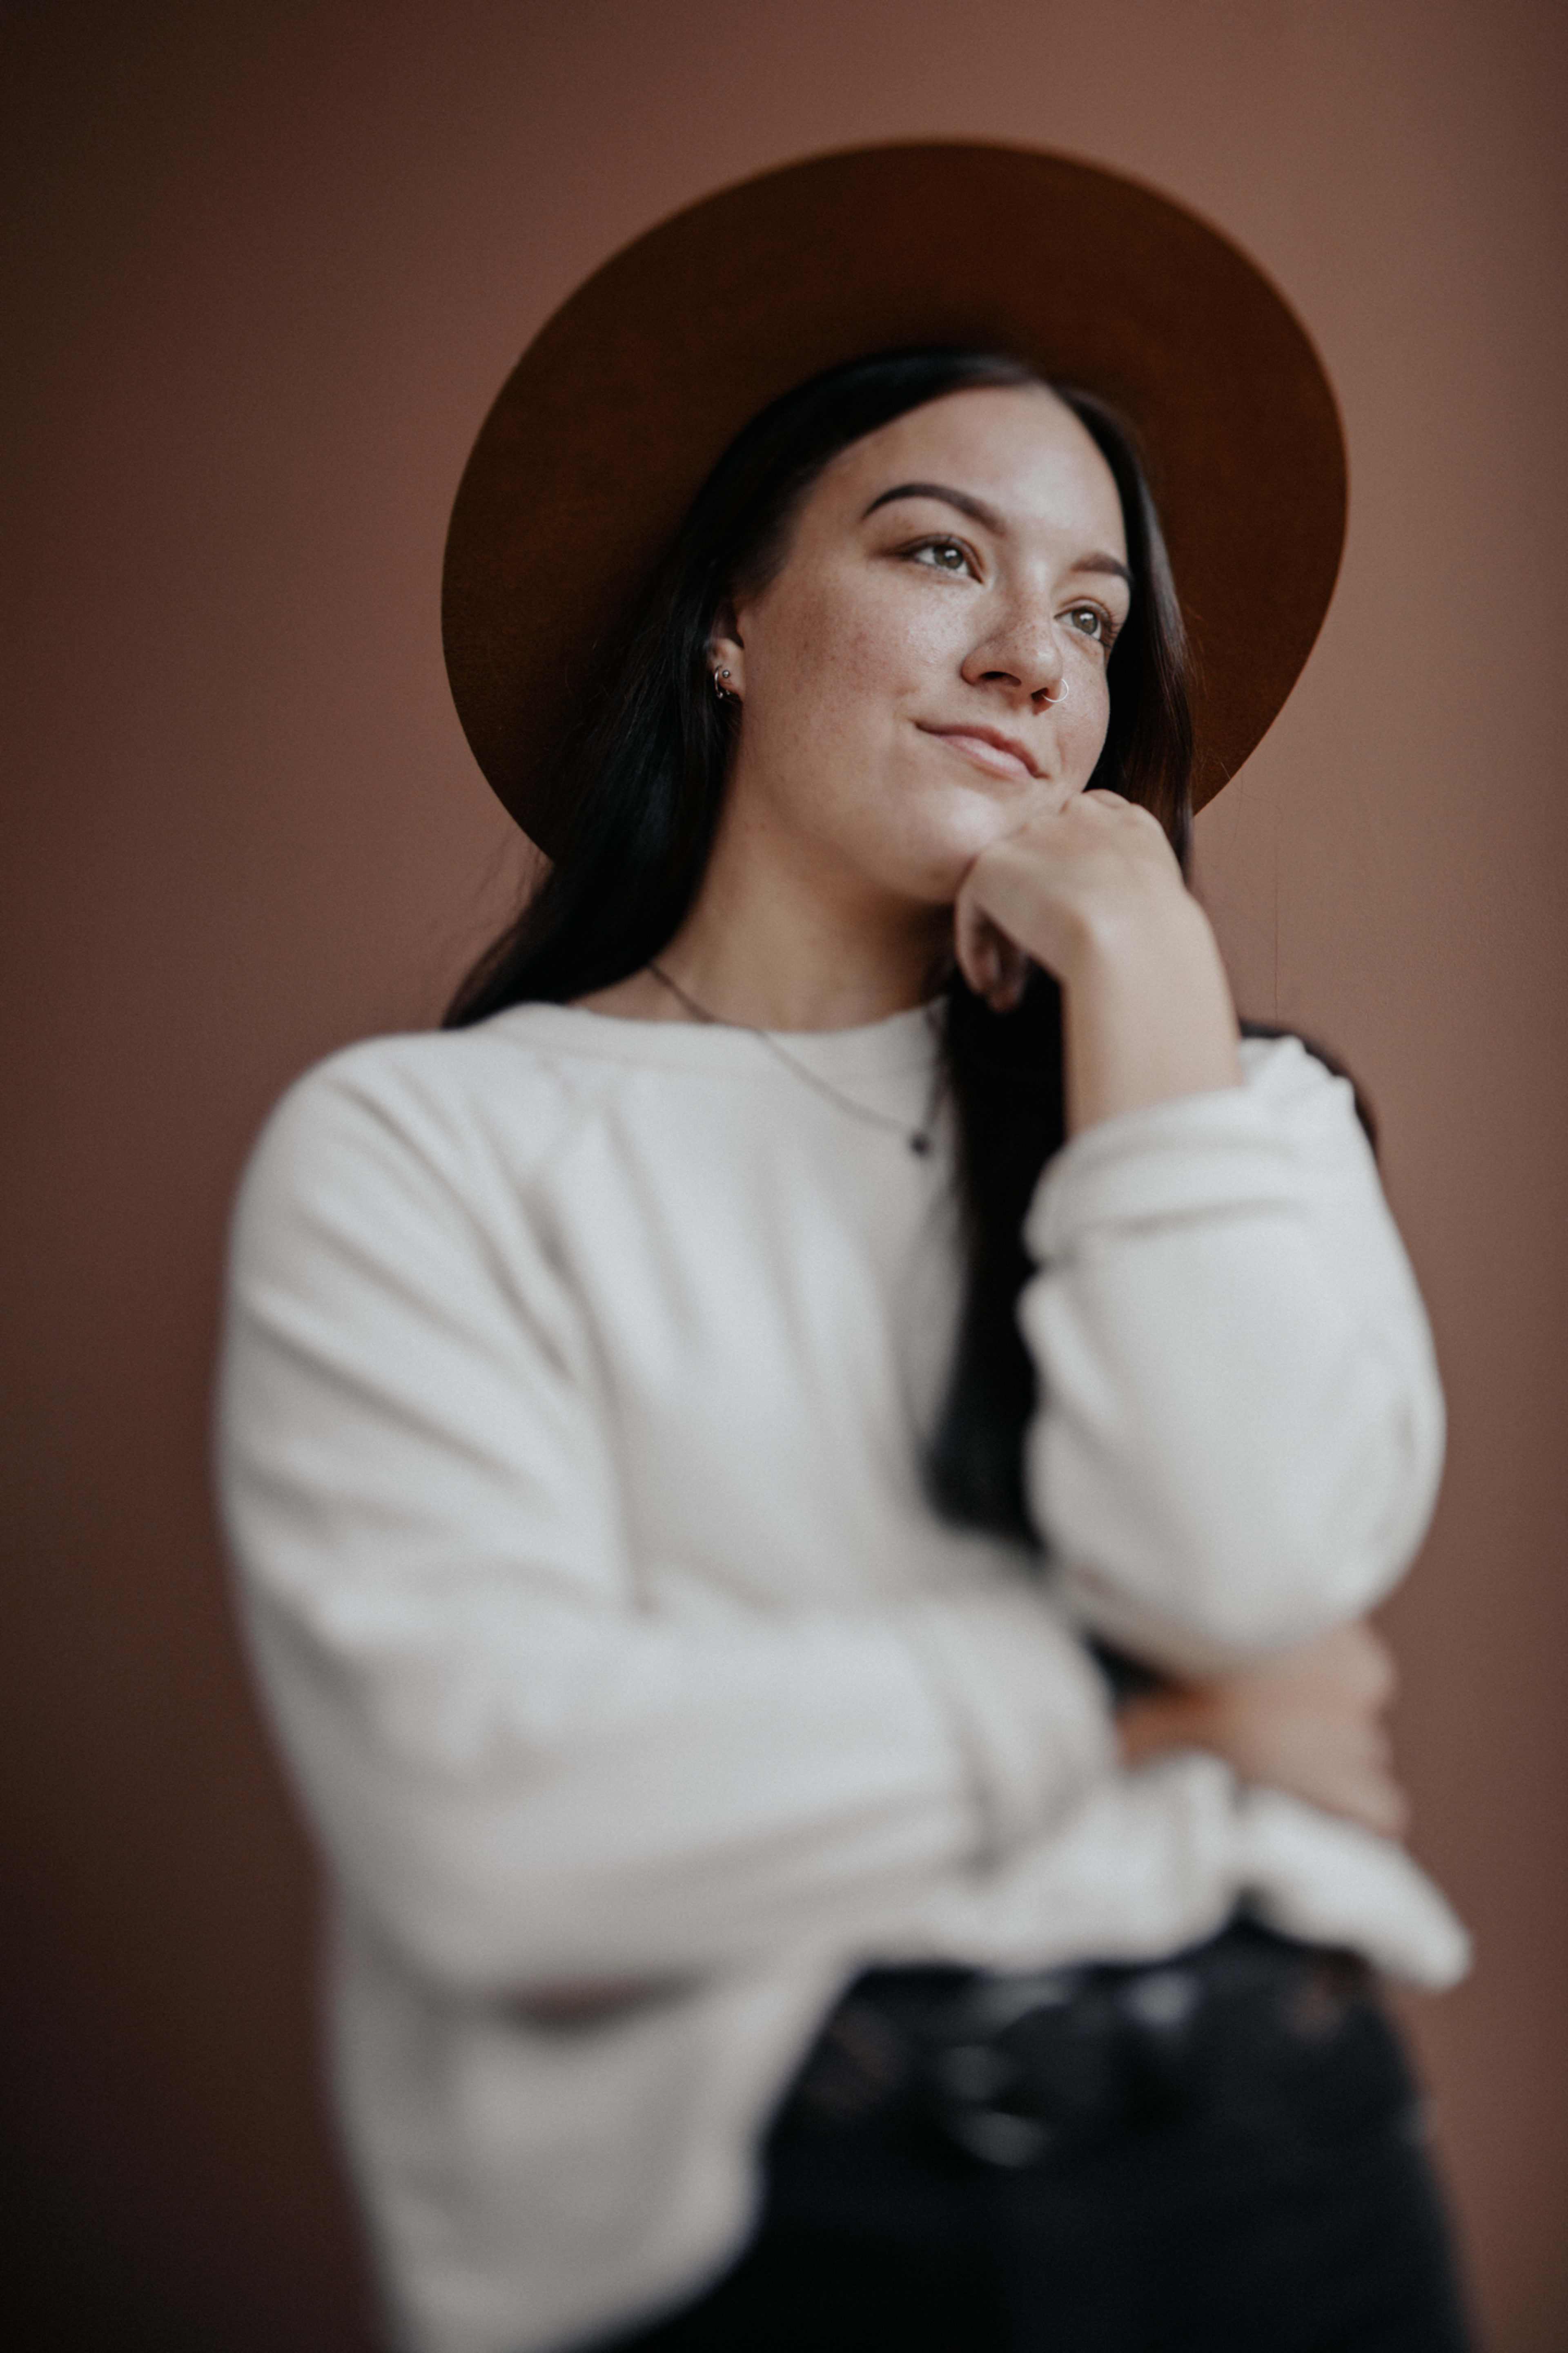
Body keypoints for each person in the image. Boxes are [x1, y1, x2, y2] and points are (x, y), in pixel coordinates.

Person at [218, 147, 1473, 2353]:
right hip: (770, 2222)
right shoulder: (426, 1149)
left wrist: (1149, 969)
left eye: (1091, 617)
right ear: (727, 614)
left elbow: (1244, 1567)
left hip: (1289, 2170)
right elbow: (494, 1821)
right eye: (936, 554)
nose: (1027, 656)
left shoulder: (1222, 1119)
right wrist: (1148, 1711)